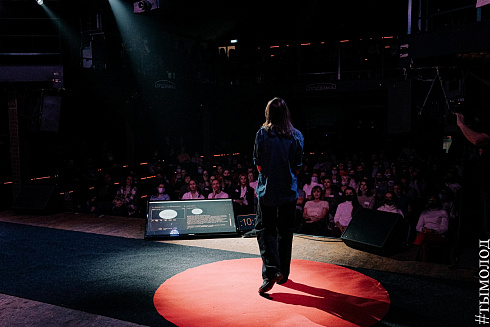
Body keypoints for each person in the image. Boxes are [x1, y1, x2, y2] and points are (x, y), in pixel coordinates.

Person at [253, 97, 304, 294]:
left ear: (268, 114)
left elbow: (258, 164)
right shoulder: (297, 136)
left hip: (268, 190)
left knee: (265, 230)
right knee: (285, 232)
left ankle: (272, 272)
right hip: (288, 191)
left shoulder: (262, 134)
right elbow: (297, 167)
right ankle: (284, 273)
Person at [456, 112, 490, 238]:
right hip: (484, 185)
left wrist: (461, 125)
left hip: (487, 187)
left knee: (487, 229)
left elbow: (477, 140)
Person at [413, 194, 449, 262]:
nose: (431, 202)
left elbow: (445, 227)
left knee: (422, 237)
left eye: (434, 200)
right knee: (424, 245)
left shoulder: (443, 212)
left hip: (437, 235)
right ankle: (423, 264)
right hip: (425, 233)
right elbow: (418, 227)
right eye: (430, 200)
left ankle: (412, 252)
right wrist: (423, 229)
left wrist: (434, 231)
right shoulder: (424, 212)